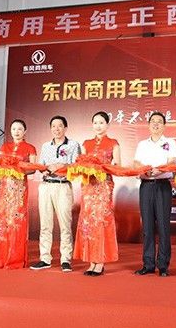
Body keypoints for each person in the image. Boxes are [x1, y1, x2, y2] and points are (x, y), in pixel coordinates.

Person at [30, 115, 80, 272]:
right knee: (45, 224)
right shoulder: (46, 146)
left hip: (63, 186)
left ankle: (66, 259)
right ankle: (45, 258)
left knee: (65, 225)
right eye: (53, 126)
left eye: (59, 126)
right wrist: (44, 169)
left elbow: (77, 166)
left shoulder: (73, 145)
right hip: (46, 185)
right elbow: (41, 165)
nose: (56, 129)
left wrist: (60, 165)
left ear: (65, 128)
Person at [73, 111, 121, 276]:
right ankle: (91, 261)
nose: (98, 126)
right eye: (95, 123)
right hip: (88, 186)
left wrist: (103, 167)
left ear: (107, 125)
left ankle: (99, 261)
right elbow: (80, 163)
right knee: (88, 221)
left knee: (100, 221)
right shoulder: (86, 143)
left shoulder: (113, 143)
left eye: (101, 122)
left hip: (103, 186)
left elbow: (117, 166)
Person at [133, 112, 176, 277]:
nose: (156, 124)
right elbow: (136, 163)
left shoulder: (170, 142)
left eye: (159, 121)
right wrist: (145, 170)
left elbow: (172, 162)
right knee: (147, 226)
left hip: (162, 185)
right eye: (153, 121)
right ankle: (148, 264)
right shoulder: (142, 144)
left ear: (164, 126)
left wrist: (159, 170)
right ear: (148, 125)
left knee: (163, 226)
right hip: (146, 186)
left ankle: (163, 265)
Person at [0, 119, 37, 269]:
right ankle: (1, 258)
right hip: (5, 189)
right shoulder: (4, 147)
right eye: (13, 129)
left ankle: (15, 258)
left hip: (19, 189)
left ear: (25, 131)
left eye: (19, 129)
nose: (16, 132)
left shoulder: (30, 148)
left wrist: (17, 168)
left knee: (17, 221)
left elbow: (33, 168)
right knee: (4, 221)